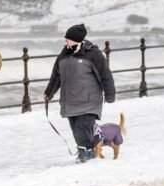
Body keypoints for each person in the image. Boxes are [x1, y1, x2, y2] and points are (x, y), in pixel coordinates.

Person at [43, 24, 116, 163]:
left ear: (76, 39)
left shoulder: (93, 54)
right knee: (76, 129)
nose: (65, 41)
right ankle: (85, 150)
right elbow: (56, 77)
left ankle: (88, 153)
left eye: (68, 39)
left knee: (83, 127)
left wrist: (110, 94)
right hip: (70, 101)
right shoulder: (64, 55)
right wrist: (48, 93)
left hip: (89, 100)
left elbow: (105, 74)